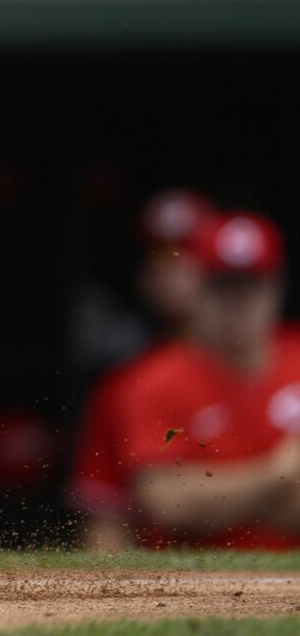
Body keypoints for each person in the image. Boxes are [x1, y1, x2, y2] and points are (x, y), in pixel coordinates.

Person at [72, 211, 300, 548]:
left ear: (276, 288)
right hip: (195, 576)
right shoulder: (150, 380)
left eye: (251, 288)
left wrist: (222, 501)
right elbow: (168, 502)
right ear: (198, 290)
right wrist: (279, 473)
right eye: (224, 288)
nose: (238, 305)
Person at [70, 189, 219, 550]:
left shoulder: (285, 358)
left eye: (189, 253)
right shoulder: (123, 385)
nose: (171, 268)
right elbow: (106, 524)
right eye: (159, 255)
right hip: (175, 577)